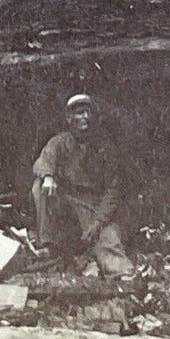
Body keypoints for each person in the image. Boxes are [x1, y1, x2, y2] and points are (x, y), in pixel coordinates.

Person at [31, 94, 133, 277]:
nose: (85, 116)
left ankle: (126, 280)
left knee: (108, 249)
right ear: (69, 118)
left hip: (97, 208)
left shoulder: (105, 148)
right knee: (39, 186)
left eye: (88, 112)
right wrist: (48, 176)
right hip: (70, 206)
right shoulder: (60, 142)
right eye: (79, 113)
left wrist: (98, 223)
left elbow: (113, 191)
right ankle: (48, 244)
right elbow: (42, 162)